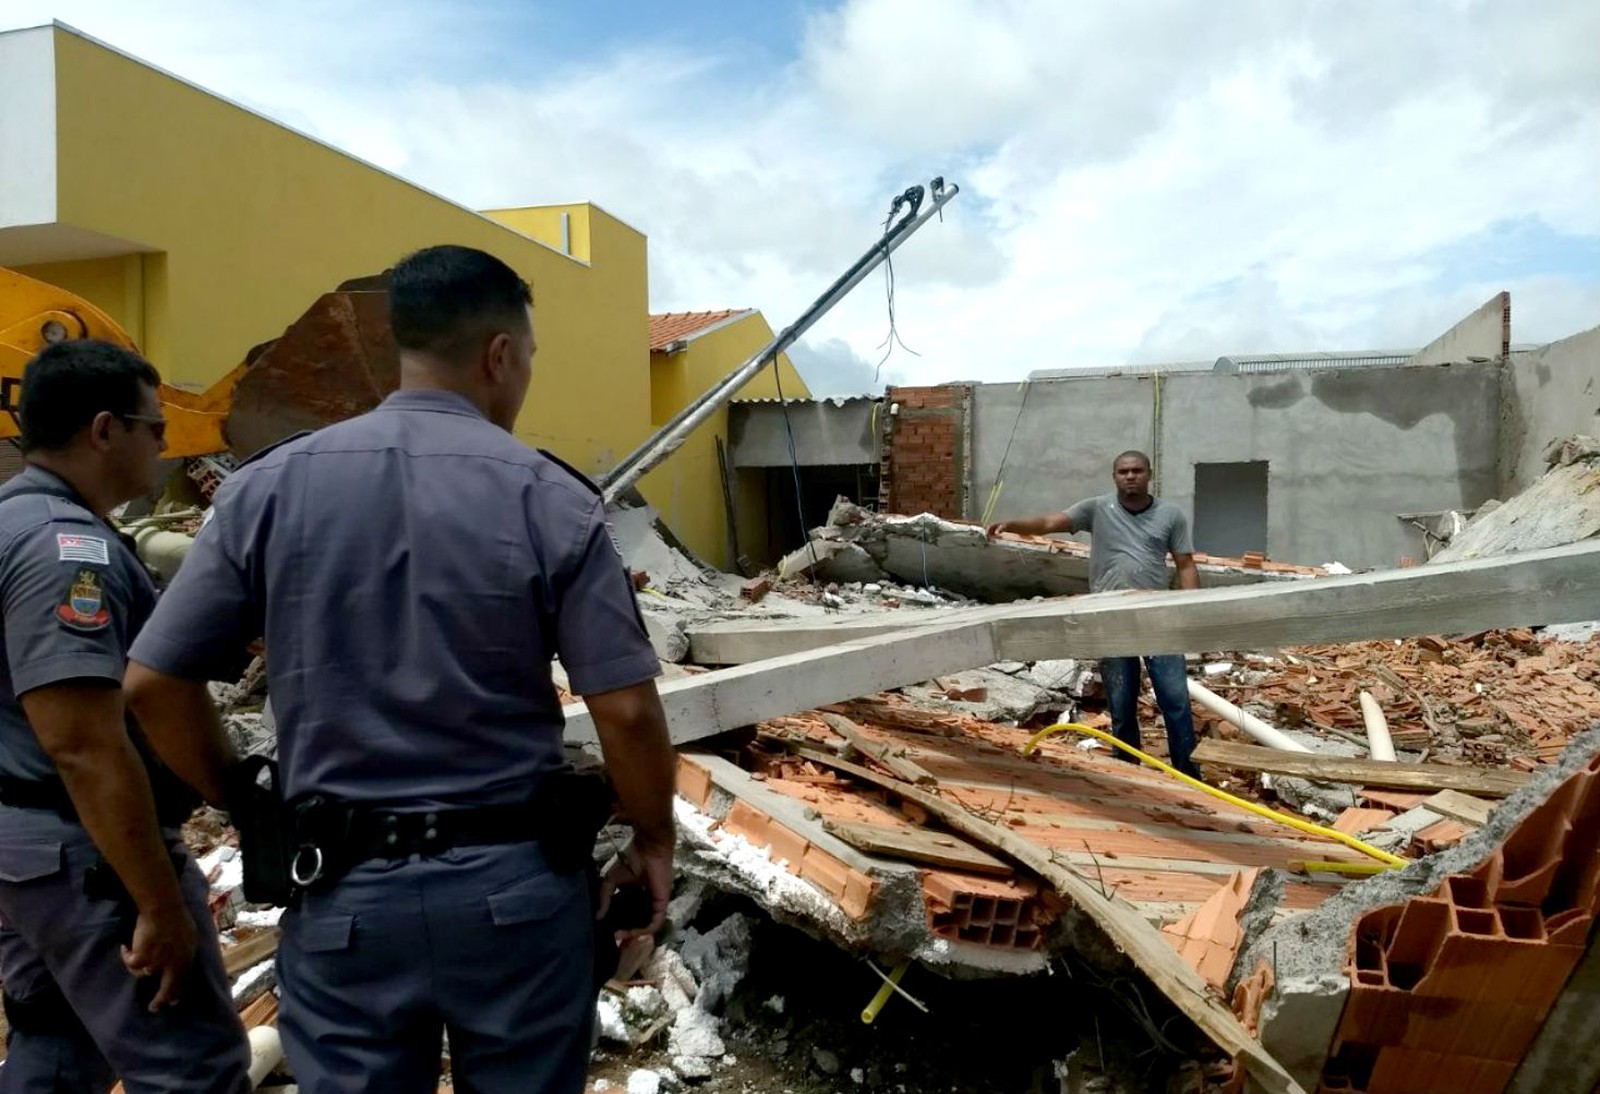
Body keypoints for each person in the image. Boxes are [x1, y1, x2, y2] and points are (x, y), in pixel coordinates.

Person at [123, 245, 677, 1094]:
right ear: (500, 354)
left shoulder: (269, 490)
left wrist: (243, 801)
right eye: (528, 358)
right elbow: (629, 713)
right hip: (515, 900)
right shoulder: (550, 498)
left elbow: (154, 684)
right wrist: (652, 837)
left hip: (344, 898)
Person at [0, 339, 250, 1093]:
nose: (167, 444)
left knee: (59, 1046)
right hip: (82, 853)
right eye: (155, 427)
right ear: (104, 430)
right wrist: (156, 902)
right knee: (192, 1068)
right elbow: (82, 744)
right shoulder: (65, 551)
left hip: (23, 854)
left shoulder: (12, 523)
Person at [986, 450, 1203, 778]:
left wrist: (1193, 614)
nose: (1130, 476)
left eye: (1137, 471)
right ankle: (1128, 774)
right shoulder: (1097, 509)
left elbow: (1186, 564)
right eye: (1123, 471)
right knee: (1121, 702)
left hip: (1157, 617)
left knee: (1175, 702)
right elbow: (1048, 523)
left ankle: (1188, 775)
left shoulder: (1170, 515)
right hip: (1110, 619)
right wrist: (1012, 524)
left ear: (1149, 474)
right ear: (1114, 476)